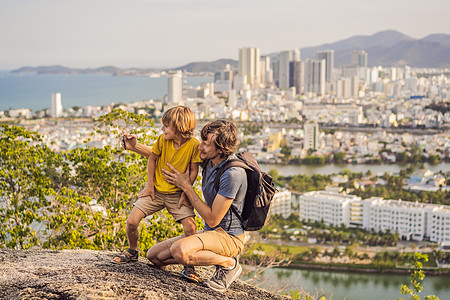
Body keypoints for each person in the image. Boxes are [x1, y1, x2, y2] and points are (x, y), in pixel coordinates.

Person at [146, 119, 247, 292]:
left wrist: (186, 186)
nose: (200, 147)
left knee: (180, 251)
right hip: (211, 234)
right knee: (154, 256)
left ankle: (230, 263)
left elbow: (213, 219)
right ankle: (219, 258)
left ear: (221, 148)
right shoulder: (209, 161)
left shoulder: (232, 174)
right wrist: (133, 146)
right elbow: (162, 155)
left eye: (206, 144)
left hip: (229, 237)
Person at [113, 106, 202, 282]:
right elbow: (153, 158)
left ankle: (189, 265)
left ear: (179, 127)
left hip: (177, 193)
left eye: (166, 126)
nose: (162, 129)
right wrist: (150, 185)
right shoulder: (163, 140)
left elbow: (194, 170)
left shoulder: (194, 145)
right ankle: (132, 251)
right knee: (131, 221)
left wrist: (186, 191)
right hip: (156, 191)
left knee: (191, 228)